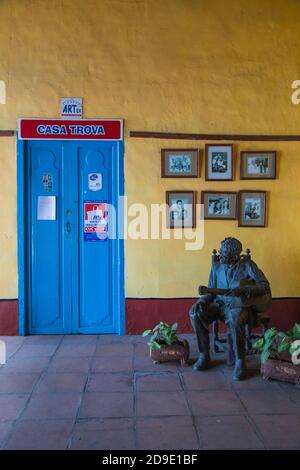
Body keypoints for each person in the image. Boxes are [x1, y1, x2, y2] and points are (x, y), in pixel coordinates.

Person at [189, 237, 272, 380]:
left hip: (238, 306)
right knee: (195, 313)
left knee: (235, 317)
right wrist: (201, 301)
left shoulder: (247, 265)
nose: (221, 256)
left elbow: (264, 286)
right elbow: (211, 291)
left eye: (225, 254)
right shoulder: (216, 267)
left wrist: (245, 289)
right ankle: (204, 355)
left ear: (235, 255)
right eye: (220, 252)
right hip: (219, 305)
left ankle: (240, 361)